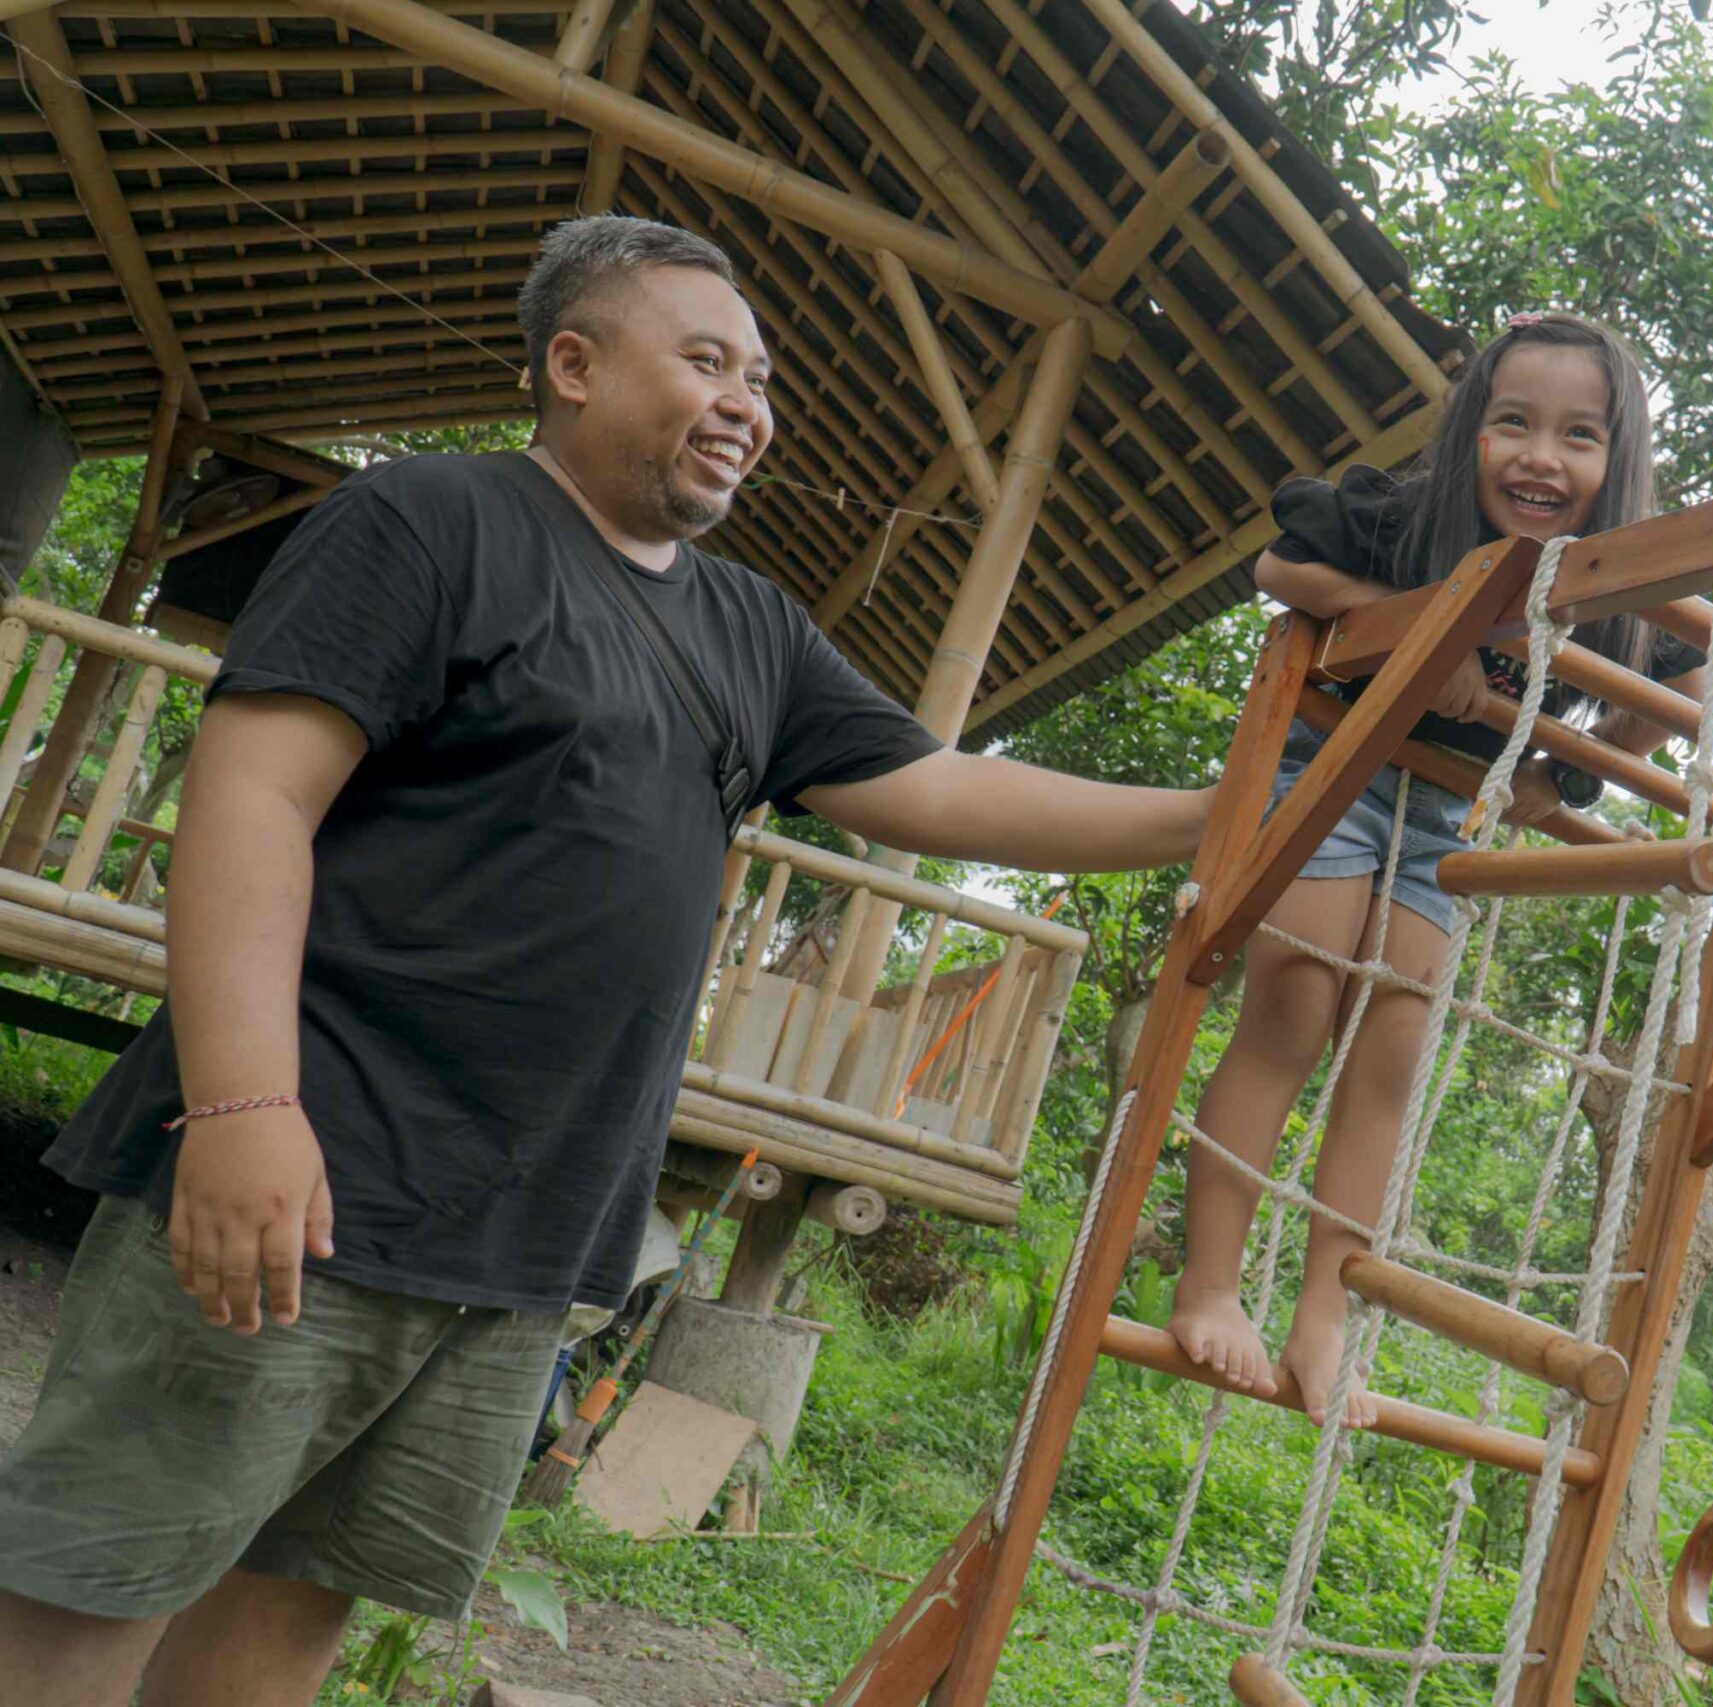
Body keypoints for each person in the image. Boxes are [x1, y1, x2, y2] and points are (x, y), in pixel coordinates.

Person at [0, 215, 1210, 1707]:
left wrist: (1231, 815)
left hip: (523, 1229)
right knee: (93, 1582)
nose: (749, 405)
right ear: (572, 365)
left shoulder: (752, 626)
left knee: (301, 1594)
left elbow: (944, 789)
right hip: (317, 1167)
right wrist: (246, 1106)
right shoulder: (429, 522)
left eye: (761, 379)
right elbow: (253, 795)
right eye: (708, 360)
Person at [1164, 311, 1712, 1428]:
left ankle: (1325, 1311)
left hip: (1443, 816)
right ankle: (1210, 1284)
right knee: (1296, 999)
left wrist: (1557, 775)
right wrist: (1420, 635)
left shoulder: (1616, 587)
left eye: (1578, 437)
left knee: (1395, 1049)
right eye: (1512, 424)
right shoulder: (1406, 516)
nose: (1539, 459)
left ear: (1617, 465)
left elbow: (1690, 694)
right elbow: (1281, 563)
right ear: (1470, 431)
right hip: (1337, 766)